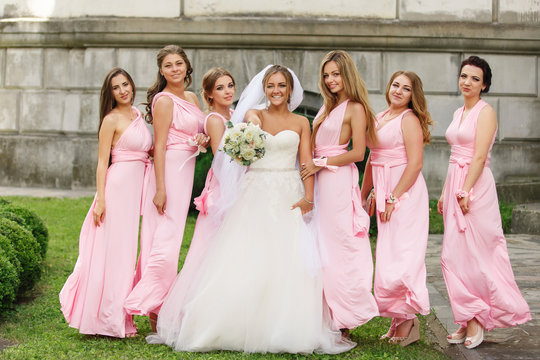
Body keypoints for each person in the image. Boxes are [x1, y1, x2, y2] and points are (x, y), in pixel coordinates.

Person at [146, 65, 355, 354]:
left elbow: (306, 163)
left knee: (287, 258)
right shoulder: (253, 116)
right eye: (270, 86)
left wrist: (308, 198)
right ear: (264, 89)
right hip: (255, 190)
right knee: (248, 255)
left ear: (290, 90)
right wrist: (249, 125)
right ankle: (232, 324)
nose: (276, 91)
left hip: (288, 191)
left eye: (281, 85)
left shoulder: (301, 123)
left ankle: (286, 326)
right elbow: (240, 144)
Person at [438, 56, 531, 349]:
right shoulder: (457, 112)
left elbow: (478, 157)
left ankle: (478, 319)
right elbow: (454, 158)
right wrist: (445, 192)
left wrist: (465, 190)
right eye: (464, 76)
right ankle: (466, 318)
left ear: (485, 84)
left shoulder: (486, 112)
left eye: (475, 78)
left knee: (478, 255)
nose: (467, 82)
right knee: (453, 255)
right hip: (456, 181)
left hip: (475, 185)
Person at [59, 68, 152, 338]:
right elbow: (102, 162)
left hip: (135, 190)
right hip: (117, 189)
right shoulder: (111, 120)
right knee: (113, 253)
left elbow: (143, 152)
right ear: (109, 93)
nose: (123, 90)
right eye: (116, 87)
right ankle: (108, 320)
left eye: (126, 84)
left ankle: (120, 316)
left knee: (126, 253)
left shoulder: (136, 115)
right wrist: (101, 199)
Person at [124, 45, 207, 331]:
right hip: (169, 173)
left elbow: (198, 132)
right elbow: (158, 146)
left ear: (187, 67)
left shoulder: (193, 98)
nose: (174, 69)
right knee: (164, 239)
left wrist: (201, 141)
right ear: (162, 71)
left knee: (172, 236)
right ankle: (155, 305)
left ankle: (163, 301)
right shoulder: (164, 101)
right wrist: (160, 188)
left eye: (179, 64)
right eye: (169, 65)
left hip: (185, 172)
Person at [300, 50, 379, 335]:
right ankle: (323, 315)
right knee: (318, 243)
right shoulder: (326, 107)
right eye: (326, 75)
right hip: (319, 179)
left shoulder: (355, 108)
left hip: (336, 180)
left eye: (336, 74)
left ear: (347, 75)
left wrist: (321, 163)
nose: (331, 80)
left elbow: (358, 152)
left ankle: (344, 318)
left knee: (338, 245)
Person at [360, 70, 432, 346]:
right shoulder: (380, 116)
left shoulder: (409, 119)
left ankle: (409, 321)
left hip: (405, 194)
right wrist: (364, 192)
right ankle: (398, 317)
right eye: (395, 85)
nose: (399, 91)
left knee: (404, 256)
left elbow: (415, 164)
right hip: (385, 190)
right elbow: (372, 159)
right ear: (388, 87)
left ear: (414, 95)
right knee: (389, 256)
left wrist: (393, 197)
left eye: (406, 88)